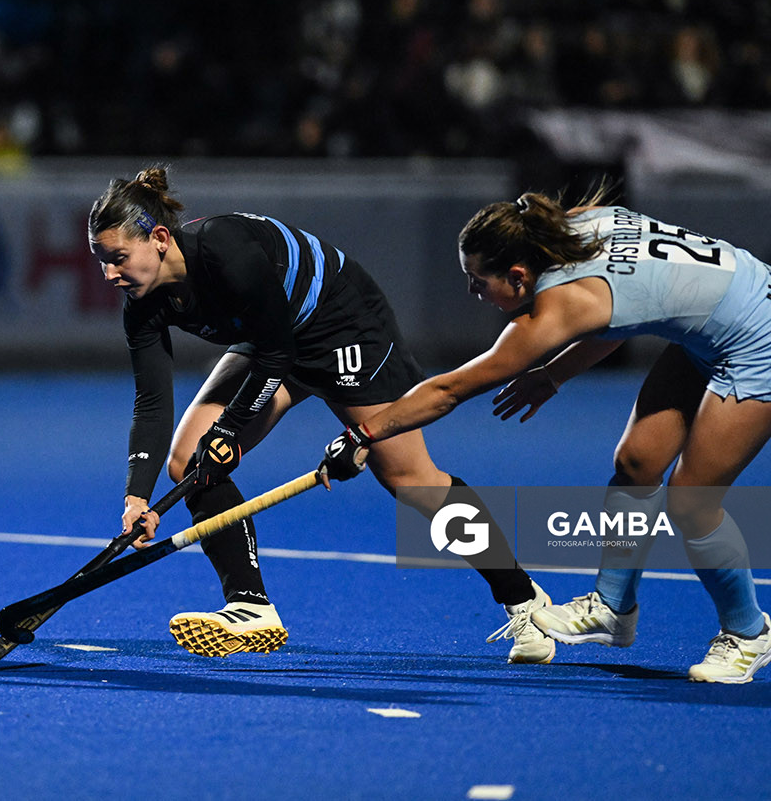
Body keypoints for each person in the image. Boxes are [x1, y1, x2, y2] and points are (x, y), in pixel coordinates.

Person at [321, 191, 771, 683]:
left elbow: (451, 390)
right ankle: (612, 608)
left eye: (477, 281)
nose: (473, 293)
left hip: (768, 337)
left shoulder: (559, 306)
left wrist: (365, 432)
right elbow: (627, 308)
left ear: (518, 276)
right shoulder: (571, 228)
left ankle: (747, 633)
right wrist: (556, 374)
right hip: (725, 318)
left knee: (692, 500)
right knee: (636, 463)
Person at [88, 168, 554, 662]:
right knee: (187, 460)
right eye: (102, 262)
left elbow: (276, 354)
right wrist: (136, 496)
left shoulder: (224, 251)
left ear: (159, 239)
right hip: (273, 338)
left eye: (118, 259)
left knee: (411, 480)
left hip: (342, 323)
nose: (110, 275)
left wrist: (227, 432)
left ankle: (523, 598)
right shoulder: (140, 304)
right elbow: (153, 401)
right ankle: (249, 605)